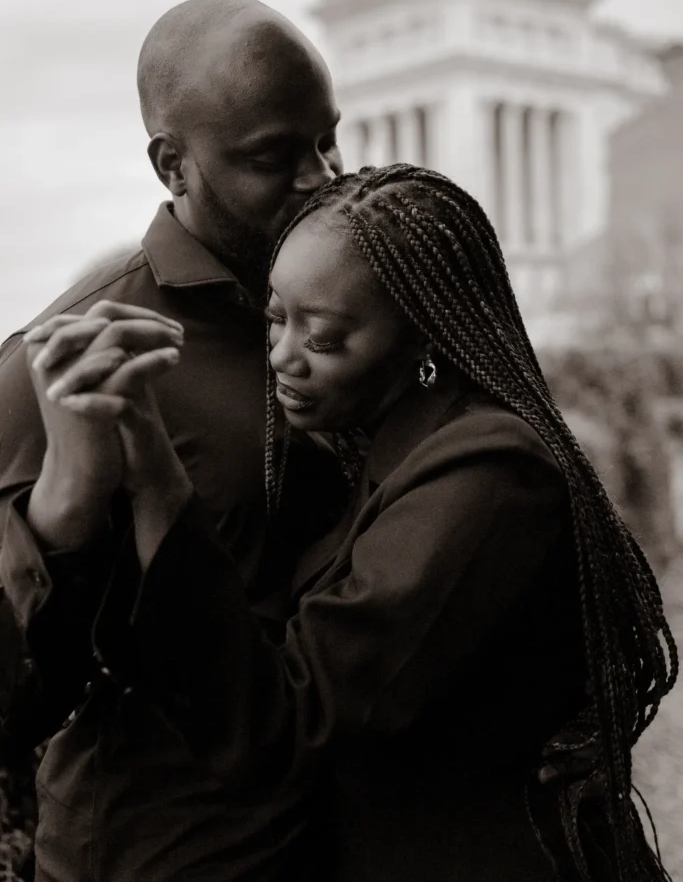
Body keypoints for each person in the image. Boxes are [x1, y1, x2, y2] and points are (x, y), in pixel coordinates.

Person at [15, 164, 678, 882]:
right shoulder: (382, 446)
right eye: (275, 317)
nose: (281, 356)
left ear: (422, 339)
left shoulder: (488, 478)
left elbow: (287, 729)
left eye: (324, 338)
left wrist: (154, 469)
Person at [0, 0, 347, 881]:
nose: (320, 177)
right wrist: (59, 516)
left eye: (327, 141)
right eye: (273, 156)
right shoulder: (63, 359)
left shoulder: (356, 304)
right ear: (172, 165)